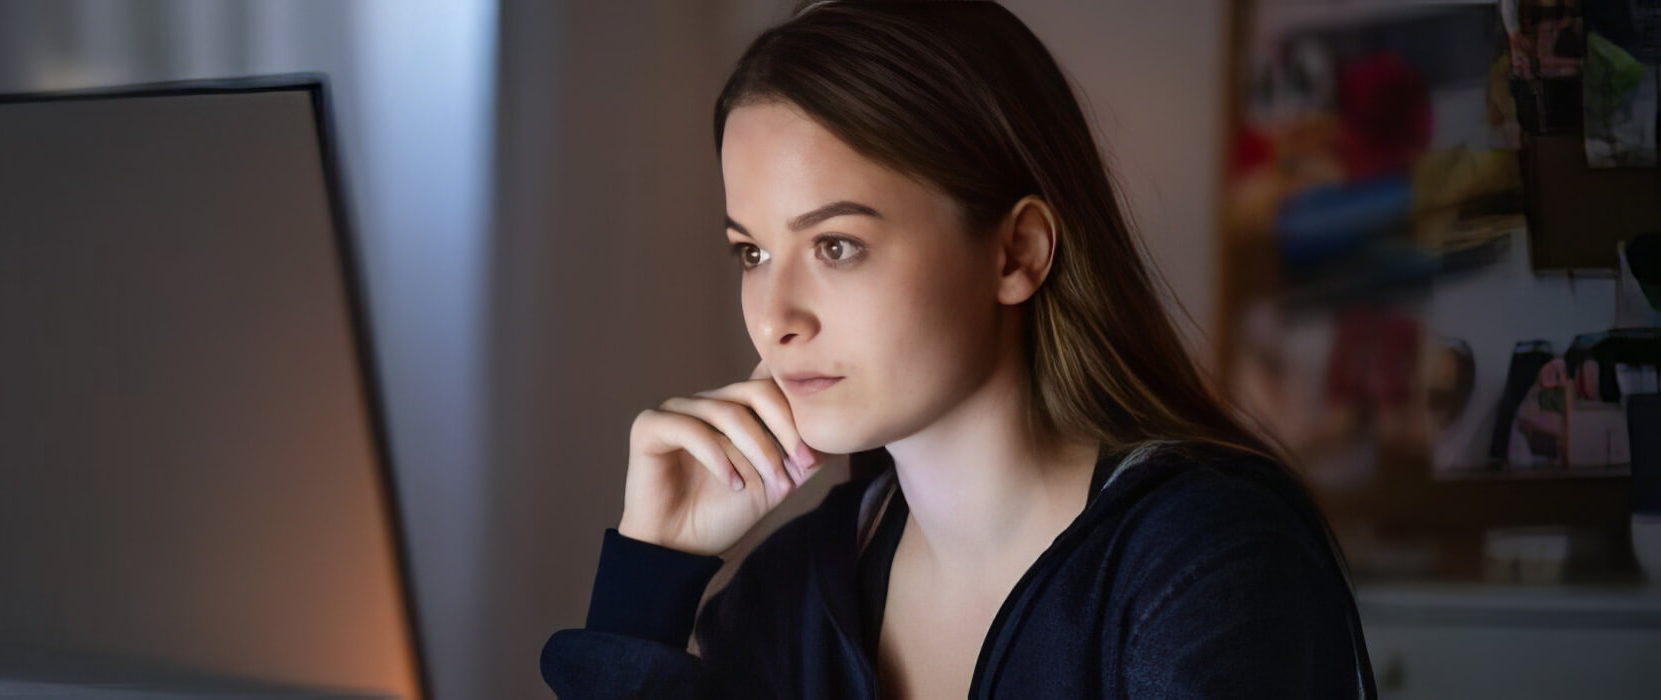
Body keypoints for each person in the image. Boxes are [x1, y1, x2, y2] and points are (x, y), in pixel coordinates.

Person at [538, 1, 1374, 698]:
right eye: (750, 253)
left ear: (1016, 253)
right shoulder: (788, 594)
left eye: (836, 245)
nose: (774, 318)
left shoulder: (1202, 565)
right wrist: (651, 574)